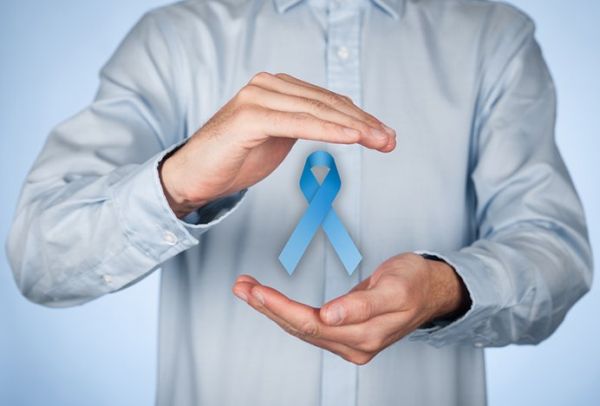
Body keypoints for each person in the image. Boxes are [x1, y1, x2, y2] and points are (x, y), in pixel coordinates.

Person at [6, 0, 593, 405]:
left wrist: (445, 289)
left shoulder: (494, 37)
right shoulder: (175, 39)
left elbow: (555, 252)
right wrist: (179, 182)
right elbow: (41, 261)